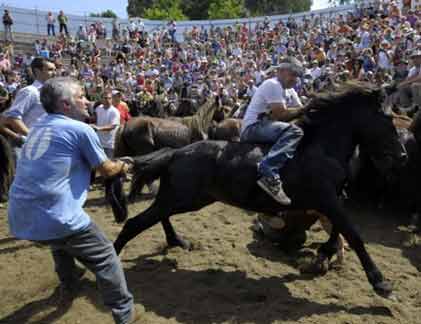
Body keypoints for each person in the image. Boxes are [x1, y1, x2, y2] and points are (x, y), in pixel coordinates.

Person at [7, 77, 139, 324]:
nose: (87, 100)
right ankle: (124, 312)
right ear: (66, 104)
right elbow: (107, 169)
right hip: (55, 216)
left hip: (20, 218)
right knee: (105, 256)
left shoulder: (37, 126)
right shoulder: (81, 130)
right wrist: (123, 165)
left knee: (60, 242)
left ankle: (69, 284)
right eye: (81, 96)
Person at [240, 58, 305, 205]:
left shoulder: (290, 91)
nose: (295, 78)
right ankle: (268, 172)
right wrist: (305, 109)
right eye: (293, 74)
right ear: (280, 71)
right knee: (295, 132)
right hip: (253, 127)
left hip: (267, 126)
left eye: (297, 75)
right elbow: (280, 114)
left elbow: (301, 112)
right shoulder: (273, 84)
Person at [0, 57, 56, 156]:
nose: (55, 73)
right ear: (37, 71)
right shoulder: (30, 91)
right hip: (27, 148)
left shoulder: (50, 93)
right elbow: (13, 118)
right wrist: (32, 137)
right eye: (50, 70)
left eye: (55, 69)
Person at [93, 91, 120, 158]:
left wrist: (98, 128)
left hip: (110, 144)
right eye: (105, 98)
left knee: (110, 164)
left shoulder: (114, 111)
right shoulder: (98, 108)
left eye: (109, 98)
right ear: (101, 99)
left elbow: (113, 126)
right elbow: (95, 120)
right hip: (99, 142)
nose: (108, 100)